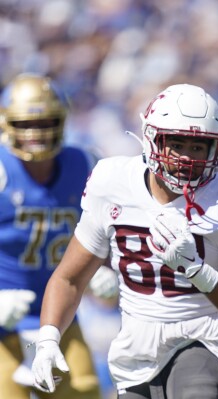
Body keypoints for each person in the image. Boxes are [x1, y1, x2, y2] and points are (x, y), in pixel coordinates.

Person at [29, 84, 218, 398]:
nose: (186, 157)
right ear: (152, 140)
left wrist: (198, 271)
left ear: (216, 148)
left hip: (207, 338)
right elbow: (70, 278)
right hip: (136, 350)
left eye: (198, 147)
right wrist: (48, 339)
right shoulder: (113, 182)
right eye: (177, 144)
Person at [0, 73, 104, 399]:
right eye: (25, 123)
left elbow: (111, 229)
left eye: (46, 121)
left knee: (83, 392)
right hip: (3, 325)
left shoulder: (85, 163)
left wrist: (105, 267)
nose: (36, 133)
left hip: (59, 318)